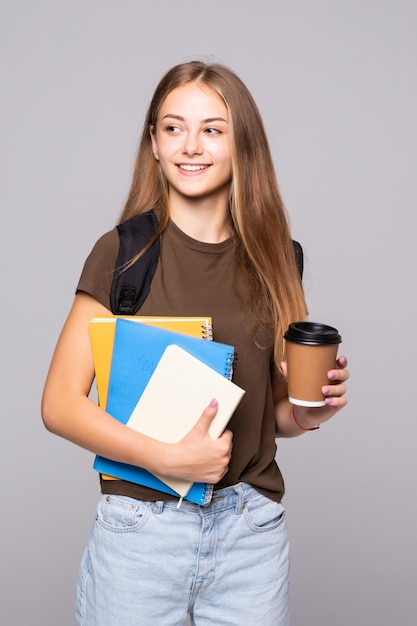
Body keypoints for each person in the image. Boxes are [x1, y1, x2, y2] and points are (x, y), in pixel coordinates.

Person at [41, 60, 349, 626]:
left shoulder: (279, 258)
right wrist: (166, 457)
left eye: (212, 128)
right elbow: (59, 404)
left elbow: (266, 416)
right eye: (172, 127)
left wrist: (309, 413)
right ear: (154, 144)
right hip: (140, 532)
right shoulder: (122, 253)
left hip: (249, 535)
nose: (191, 145)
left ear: (242, 146)